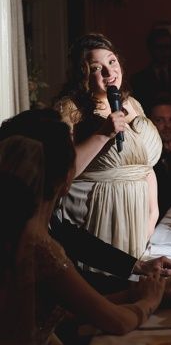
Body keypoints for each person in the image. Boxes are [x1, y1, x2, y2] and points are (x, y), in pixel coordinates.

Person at [0, 123, 166, 345]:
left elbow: (64, 307)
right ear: (66, 177)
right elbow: (118, 322)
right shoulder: (38, 245)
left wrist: (137, 288)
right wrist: (150, 301)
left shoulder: (17, 229)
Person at [54, 33, 162, 257]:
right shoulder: (70, 109)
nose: (109, 72)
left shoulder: (132, 104)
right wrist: (102, 134)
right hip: (99, 214)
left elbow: (144, 166)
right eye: (96, 67)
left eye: (112, 62)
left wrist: (152, 213)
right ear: (83, 74)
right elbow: (63, 172)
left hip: (138, 217)